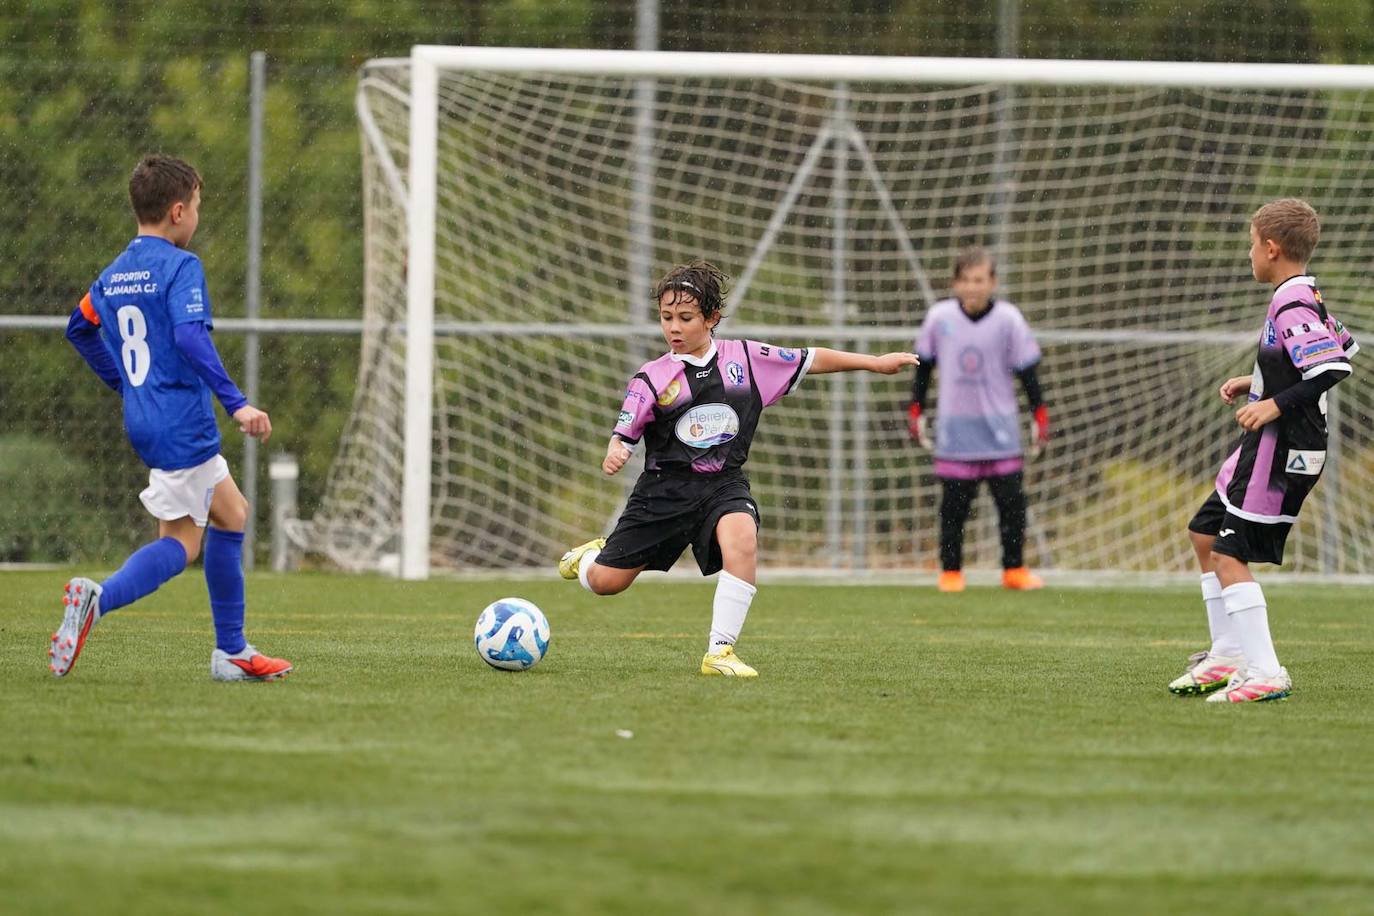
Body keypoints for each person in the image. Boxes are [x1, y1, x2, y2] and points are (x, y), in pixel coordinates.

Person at [557, 260, 918, 677]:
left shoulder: (748, 359)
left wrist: (874, 363)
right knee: (606, 583)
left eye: (686, 318)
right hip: (664, 490)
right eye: (666, 317)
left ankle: (720, 652)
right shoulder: (653, 376)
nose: (674, 327)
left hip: (723, 485)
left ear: (711, 318)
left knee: (742, 540)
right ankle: (590, 558)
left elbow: (810, 358)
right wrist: (616, 450)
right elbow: (623, 432)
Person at [52, 154, 291, 682]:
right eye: (199, 207)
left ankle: (232, 651)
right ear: (179, 211)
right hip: (183, 423)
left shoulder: (113, 275)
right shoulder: (182, 266)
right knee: (181, 545)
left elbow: (79, 326)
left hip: (148, 420)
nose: (199, 217)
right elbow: (188, 336)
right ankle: (100, 599)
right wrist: (238, 403)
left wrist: (126, 383)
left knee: (232, 513)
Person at [1169, 198, 1355, 703]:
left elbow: (1334, 366)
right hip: (1265, 443)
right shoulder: (1301, 294)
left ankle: (1266, 672)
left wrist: (1272, 404)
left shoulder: (1291, 302)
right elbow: (1338, 346)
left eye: (1252, 244)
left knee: (1230, 554)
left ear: (1271, 248)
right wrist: (1255, 381)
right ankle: (1227, 654)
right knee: (1204, 532)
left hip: (1284, 447)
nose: (1249, 253)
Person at [907, 247, 1049, 593]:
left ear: (993, 282)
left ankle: (1013, 569)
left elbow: (1028, 372)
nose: (973, 287)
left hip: (1000, 430)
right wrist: (916, 409)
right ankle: (951, 572)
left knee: (1012, 506)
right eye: (967, 280)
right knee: (953, 509)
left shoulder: (1009, 320)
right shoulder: (940, 318)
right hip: (956, 431)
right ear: (956, 283)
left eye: (980, 280)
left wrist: (1039, 413)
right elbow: (923, 368)